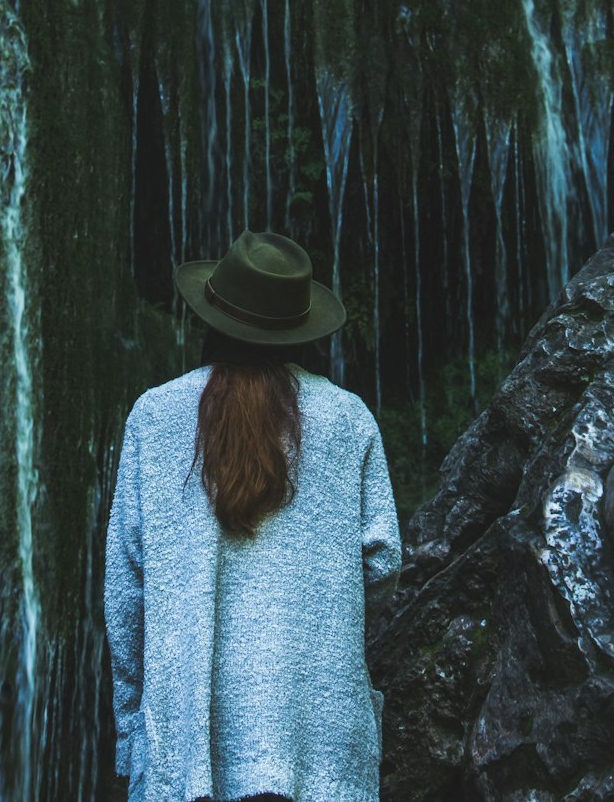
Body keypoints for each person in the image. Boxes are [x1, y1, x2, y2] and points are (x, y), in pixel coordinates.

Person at [104, 229, 402, 802]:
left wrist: (132, 734)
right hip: (318, 733)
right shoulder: (349, 421)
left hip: (191, 738)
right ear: (300, 328)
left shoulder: (154, 418)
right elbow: (382, 566)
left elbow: (125, 594)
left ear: (210, 318)